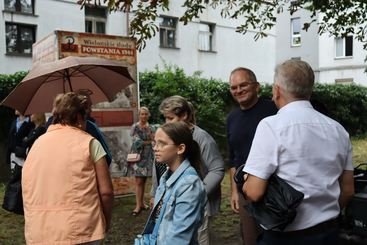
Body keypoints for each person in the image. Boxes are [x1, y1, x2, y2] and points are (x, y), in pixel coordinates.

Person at [242, 59, 355, 245]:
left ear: (277, 90)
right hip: (330, 234)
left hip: (284, 236)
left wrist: (246, 182)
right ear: (309, 90)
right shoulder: (338, 130)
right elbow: (348, 190)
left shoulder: (270, 126)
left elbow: (254, 192)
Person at [22, 92, 114, 244]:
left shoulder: (36, 144)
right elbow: (106, 192)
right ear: (79, 117)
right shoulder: (90, 143)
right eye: (86, 116)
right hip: (81, 230)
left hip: (39, 229)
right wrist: (105, 222)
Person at [151, 95, 225, 245]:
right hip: (168, 200)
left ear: (184, 115)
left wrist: (198, 193)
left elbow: (217, 169)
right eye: (165, 118)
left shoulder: (201, 137)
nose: (166, 123)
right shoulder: (167, 136)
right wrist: (155, 193)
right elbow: (159, 167)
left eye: (170, 118)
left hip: (193, 204)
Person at [227, 67, 277, 245]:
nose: (238, 90)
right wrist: (234, 191)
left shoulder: (274, 110)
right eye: (234, 87)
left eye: (243, 85)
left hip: (275, 190)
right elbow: (233, 158)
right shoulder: (232, 118)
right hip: (245, 192)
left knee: (276, 238)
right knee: (250, 238)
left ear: (257, 87)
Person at [140, 121, 207, 244]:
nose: (155, 148)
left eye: (162, 144)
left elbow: (179, 238)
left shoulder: (189, 185)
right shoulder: (166, 177)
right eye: (155, 142)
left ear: (180, 148)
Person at [45, 89, 112, 166]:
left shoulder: (46, 132)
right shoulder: (90, 127)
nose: (91, 110)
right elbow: (107, 158)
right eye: (87, 107)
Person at [129, 106, 156, 216]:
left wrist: (150, 138)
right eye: (142, 114)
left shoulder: (152, 127)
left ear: (148, 115)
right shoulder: (135, 127)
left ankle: (142, 203)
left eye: (146, 114)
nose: (144, 116)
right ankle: (137, 206)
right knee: (139, 181)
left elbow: (155, 140)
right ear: (139, 115)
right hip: (138, 156)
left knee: (144, 181)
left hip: (149, 155)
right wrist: (148, 142)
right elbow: (136, 142)